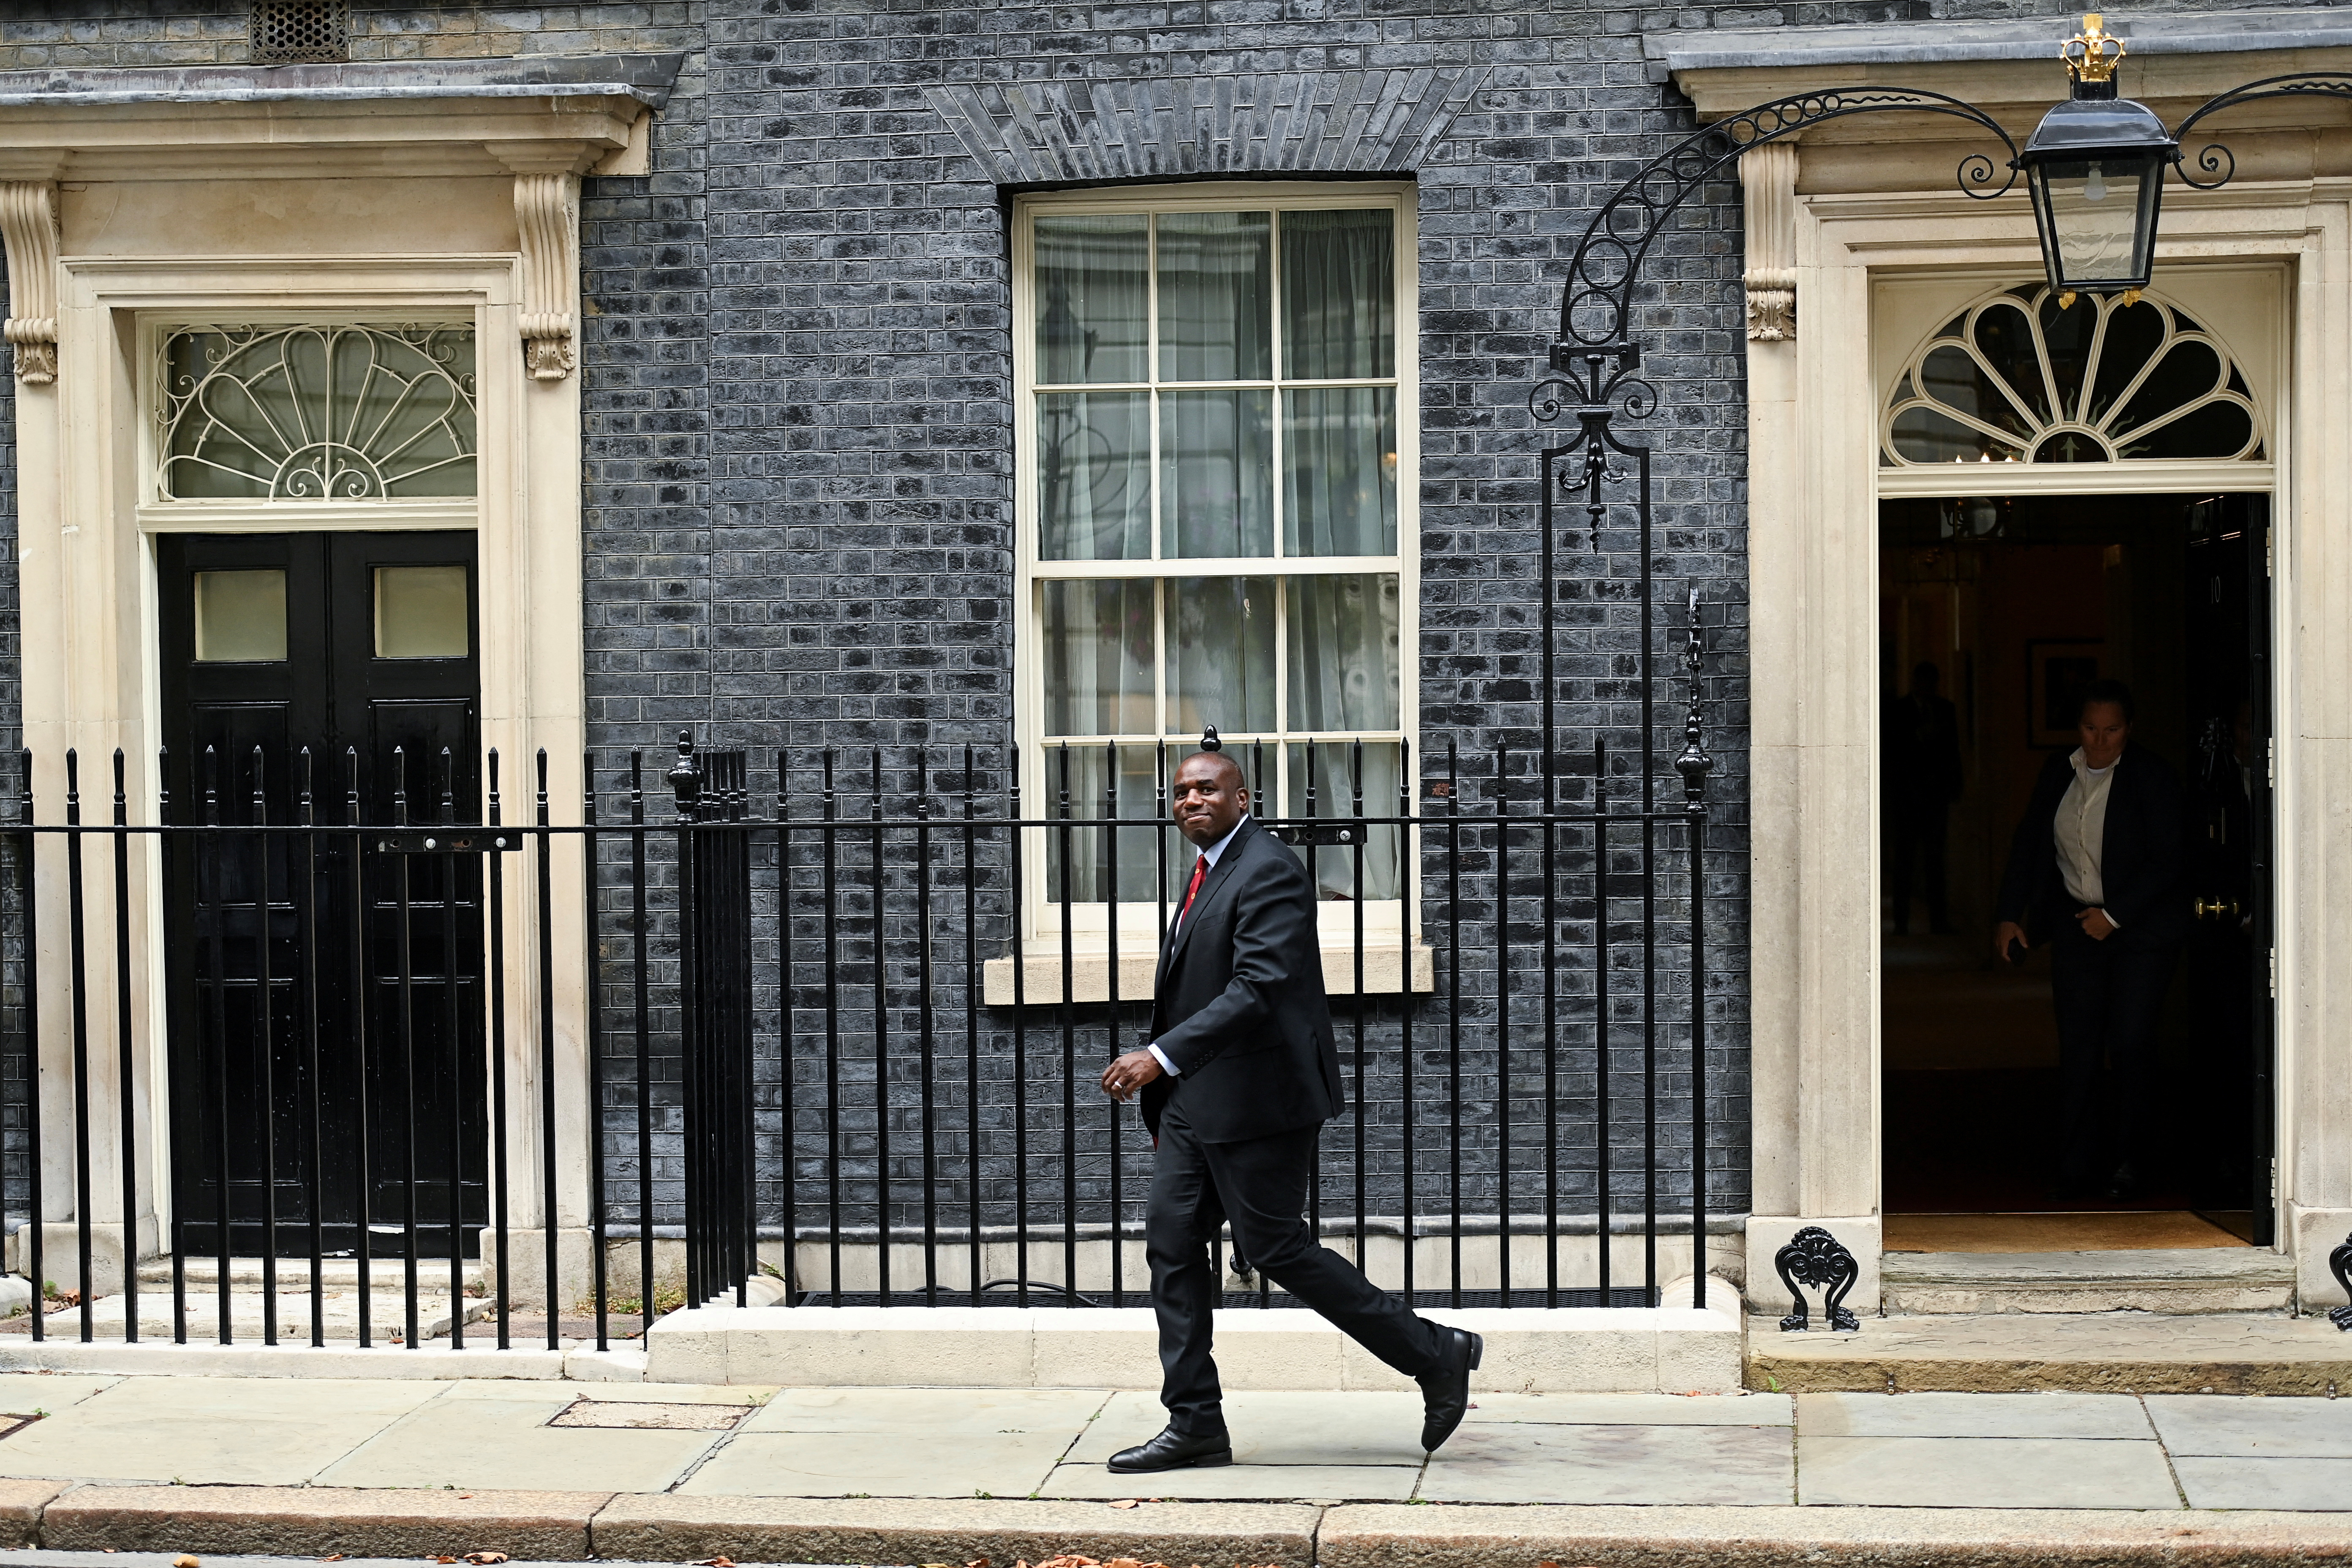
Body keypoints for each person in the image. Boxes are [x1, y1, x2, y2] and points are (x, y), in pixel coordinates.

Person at [1097, 744, 1481, 1474]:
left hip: (1256, 1098)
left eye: (1208, 788)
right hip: (1191, 1101)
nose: (1191, 801)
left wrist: (1160, 1054)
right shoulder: (1209, 870)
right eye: (1180, 792)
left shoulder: (1267, 867)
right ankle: (1194, 1421)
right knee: (1172, 1247)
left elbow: (1259, 986)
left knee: (1275, 1247)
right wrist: (1170, 1069)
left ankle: (1436, 1352)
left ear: (1244, 798)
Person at [1993, 680, 2187, 1199]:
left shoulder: (2151, 776)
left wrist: (2116, 915)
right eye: (2090, 728)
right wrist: (2012, 915)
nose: (2100, 741)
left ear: (2130, 729)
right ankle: (2075, 1163)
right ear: (2077, 727)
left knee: (2129, 1043)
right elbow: (2031, 842)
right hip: (2076, 927)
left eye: (2112, 730)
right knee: (2078, 1047)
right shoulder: (2060, 770)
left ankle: (2131, 1161)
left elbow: (2169, 859)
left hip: (2141, 934)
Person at [1886, 661, 1963, 935]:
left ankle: (1938, 921)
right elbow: (1893, 753)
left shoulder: (1945, 710)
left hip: (1935, 797)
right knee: (1905, 862)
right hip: (1907, 798)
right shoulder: (1898, 710)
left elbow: (1952, 750)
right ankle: (1901, 922)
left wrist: (1954, 787)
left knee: (1935, 862)